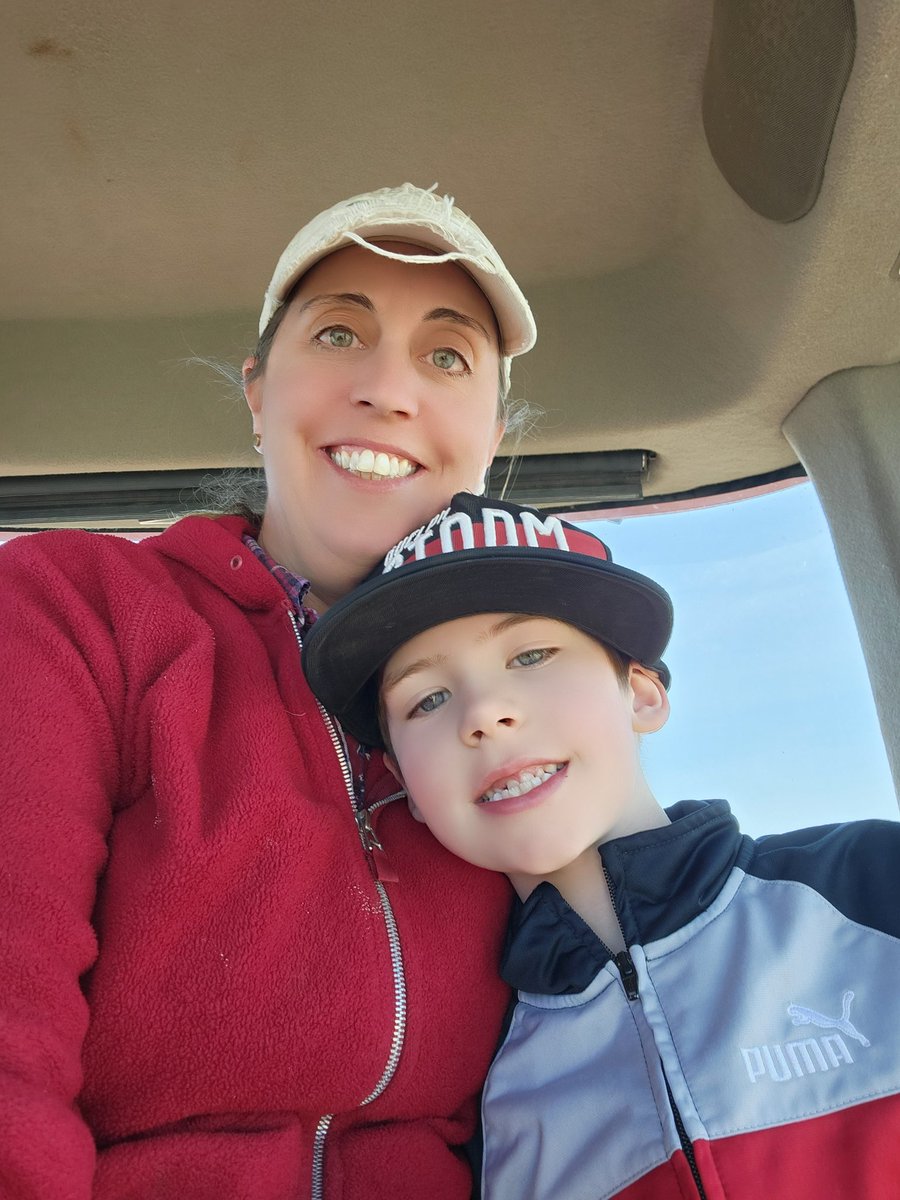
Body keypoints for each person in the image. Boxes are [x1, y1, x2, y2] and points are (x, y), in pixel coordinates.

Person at [0, 185, 538, 1200]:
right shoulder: (77, 610)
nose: (388, 388)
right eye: (340, 331)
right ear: (255, 389)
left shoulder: (525, 697)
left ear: (494, 430)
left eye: (448, 355)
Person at [302, 490, 900, 1200]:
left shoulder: (870, 885)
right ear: (406, 785)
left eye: (530, 654)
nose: (485, 714)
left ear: (642, 694)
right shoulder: (472, 1091)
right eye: (427, 700)